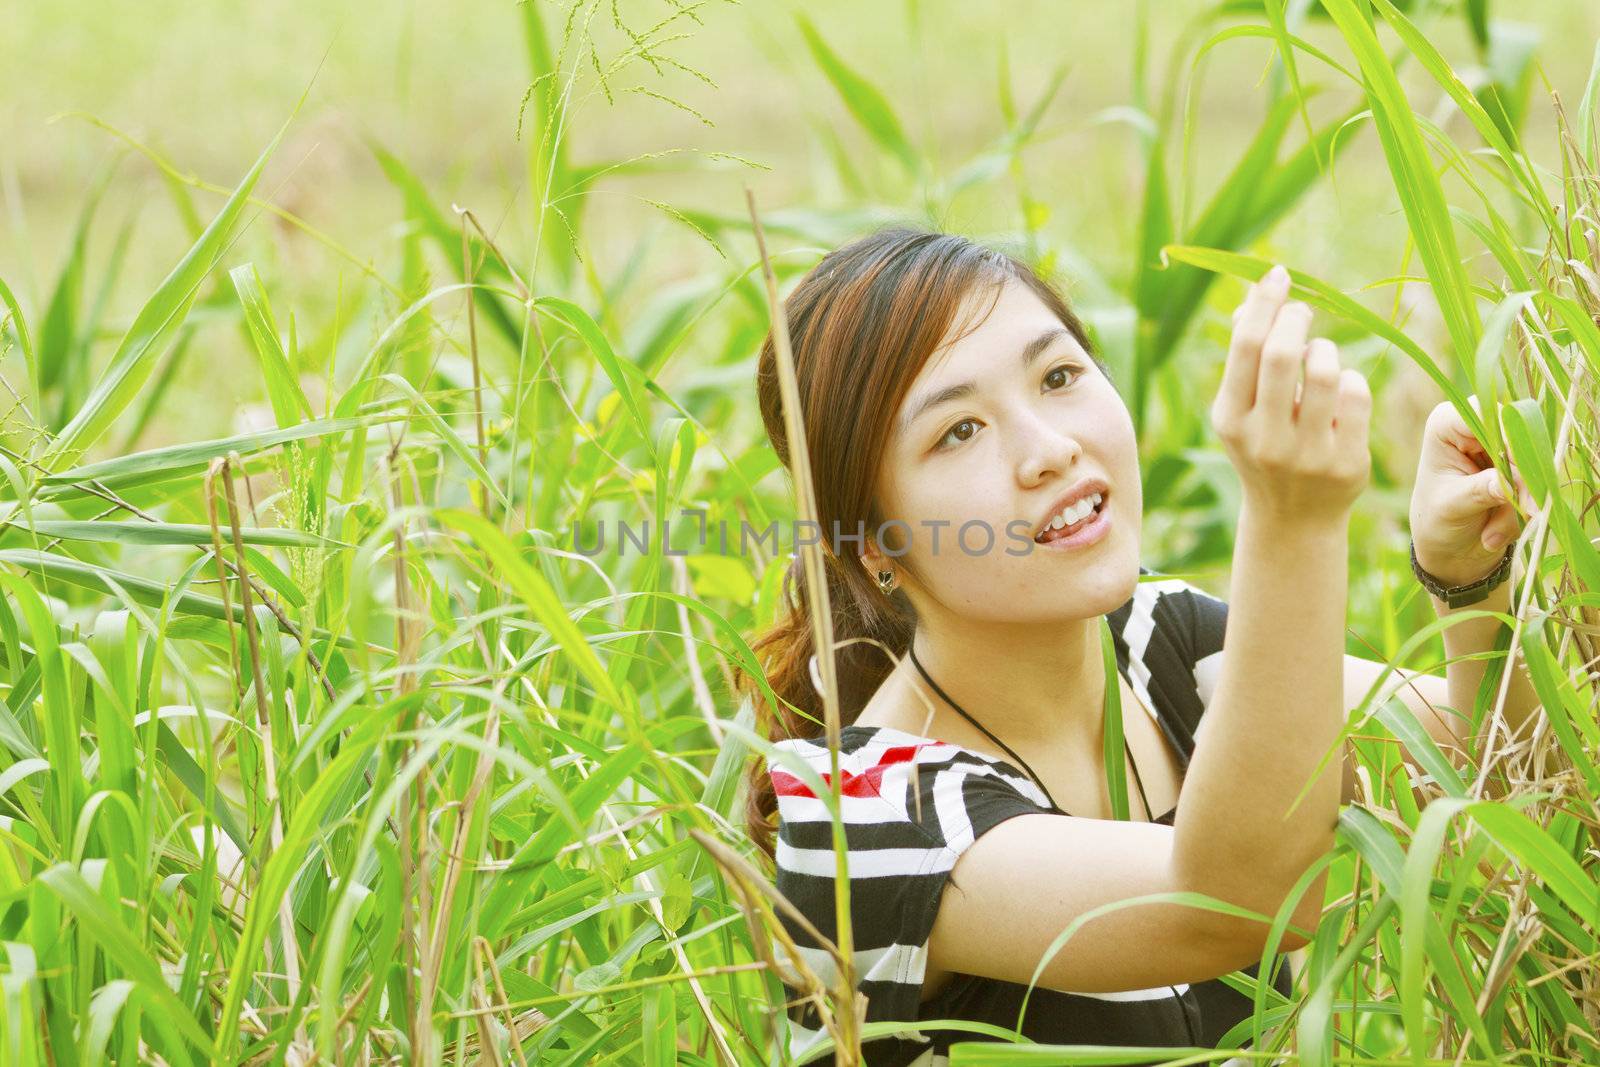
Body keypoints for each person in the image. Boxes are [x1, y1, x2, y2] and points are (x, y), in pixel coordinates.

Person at [731, 226, 1527, 1066]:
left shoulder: (1159, 642)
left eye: (1059, 376)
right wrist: (1291, 521)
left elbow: (1495, 769)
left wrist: (1469, 575)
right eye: (958, 431)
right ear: (874, 546)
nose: (1049, 449)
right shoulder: (860, 816)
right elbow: (1229, 905)